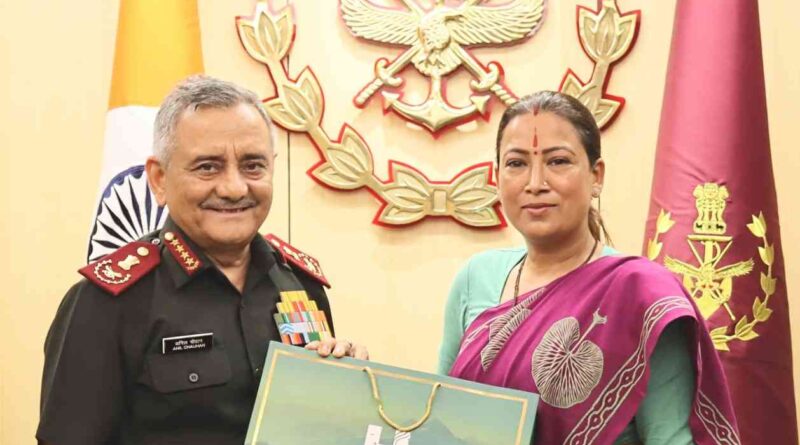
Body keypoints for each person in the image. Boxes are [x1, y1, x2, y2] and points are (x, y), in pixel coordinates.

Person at [36, 75, 366, 445]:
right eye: (208, 167)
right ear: (159, 179)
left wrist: (349, 388)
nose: (234, 188)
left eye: (253, 165)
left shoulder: (302, 286)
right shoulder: (105, 305)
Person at [438, 91, 740, 445]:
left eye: (558, 161)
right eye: (516, 163)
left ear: (596, 176)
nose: (535, 184)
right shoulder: (476, 278)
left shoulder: (641, 296)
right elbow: (439, 421)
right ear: (497, 177)